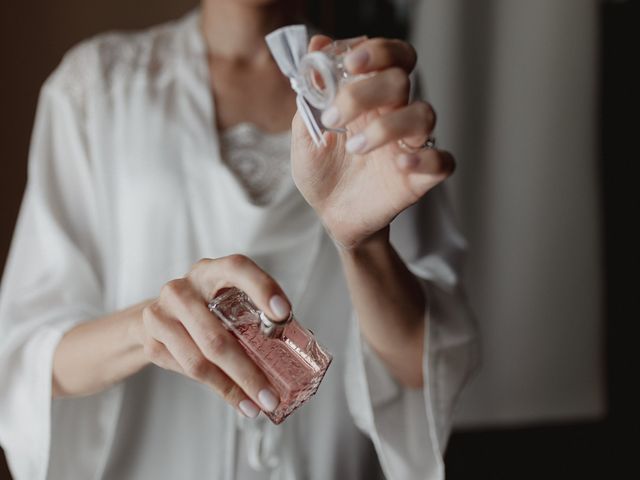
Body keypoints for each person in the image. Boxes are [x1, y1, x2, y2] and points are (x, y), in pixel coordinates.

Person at [0, 0, 478, 479]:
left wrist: (366, 243)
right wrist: (149, 329)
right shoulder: (96, 87)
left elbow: (422, 370)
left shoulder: (364, 92)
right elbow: (24, 359)